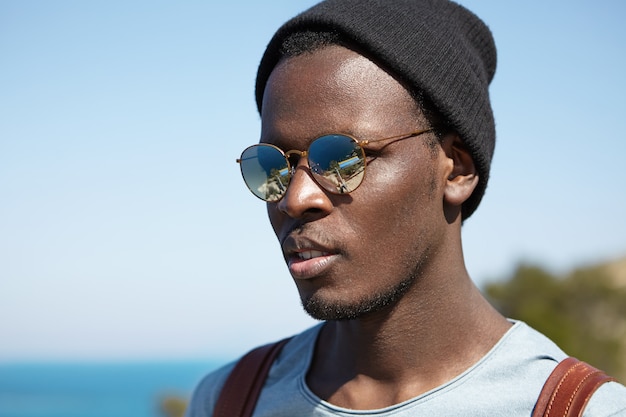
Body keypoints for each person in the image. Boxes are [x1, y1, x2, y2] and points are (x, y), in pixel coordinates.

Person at [187, 0, 626, 415]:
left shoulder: (572, 407)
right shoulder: (230, 400)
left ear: (455, 170)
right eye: (272, 165)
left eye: (342, 160)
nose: (295, 199)